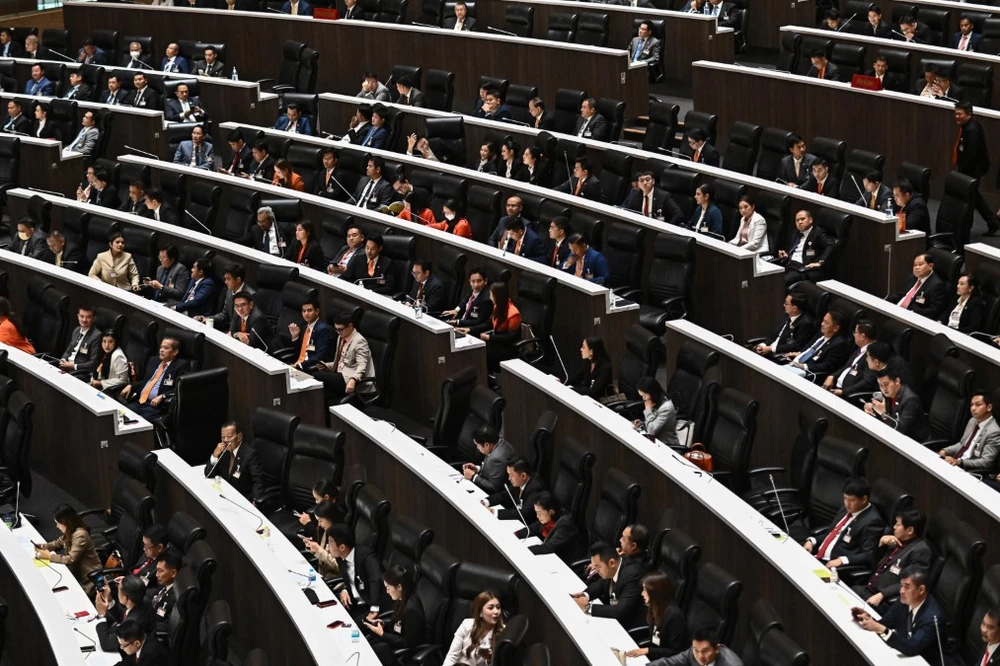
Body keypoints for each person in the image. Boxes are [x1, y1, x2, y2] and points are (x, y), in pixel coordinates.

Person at [854, 568, 952, 665]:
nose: (901, 591)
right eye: (901, 585)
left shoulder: (933, 618)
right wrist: (868, 619)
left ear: (921, 590)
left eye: (907, 587)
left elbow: (910, 648)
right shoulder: (904, 602)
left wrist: (880, 629)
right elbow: (885, 623)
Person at [853, 508, 932, 614]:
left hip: (883, 602)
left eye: (898, 525)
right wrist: (881, 544)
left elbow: (911, 583)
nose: (894, 527)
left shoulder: (921, 551)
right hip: (865, 590)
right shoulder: (895, 540)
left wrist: (882, 594)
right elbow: (872, 563)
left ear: (910, 530)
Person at [803, 476, 885, 569]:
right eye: (845, 498)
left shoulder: (872, 521)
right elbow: (832, 534)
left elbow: (868, 556)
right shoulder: (846, 509)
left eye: (851, 500)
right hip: (817, 556)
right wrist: (812, 541)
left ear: (864, 499)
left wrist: (842, 560)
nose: (847, 503)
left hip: (833, 566)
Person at [953, 102, 999, 239]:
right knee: (974, 196)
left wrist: (965, 174)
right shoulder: (966, 127)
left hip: (973, 170)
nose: (957, 116)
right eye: (955, 113)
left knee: (970, 198)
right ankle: (993, 222)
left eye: (959, 114)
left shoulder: (972, 130)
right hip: (969, 169)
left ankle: (966, 227)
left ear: (969, 114)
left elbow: (972, 155)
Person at [33, 503, 101, 595]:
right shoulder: (70, 531)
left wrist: (49, 556)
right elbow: (58, 543)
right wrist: (43, 546)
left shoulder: (80, 535)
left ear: (66, 522)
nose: (57, 526)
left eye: (58, 523)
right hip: (75, 572)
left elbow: (71, 559)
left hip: (87, 579)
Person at [365, 566, 428, 666]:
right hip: (397, 637)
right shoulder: (401, 599)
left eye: (388, 588)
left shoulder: (412, 609)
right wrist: (383, 623)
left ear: (399, 587)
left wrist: (382, 634)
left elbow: (409, 642)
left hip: (407, 652)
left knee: (379, 649)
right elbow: (398, 621)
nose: (387, 592)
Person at [572, 543, 645, 628]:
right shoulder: (612, 568)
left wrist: (588, 607)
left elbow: (620, 611)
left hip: (626, 627)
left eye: (597, 566)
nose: (595, 570)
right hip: (610, 620)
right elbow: (600, 584)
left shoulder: (633, 575)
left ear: (611, 563)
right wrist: (585, 595)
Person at [312, 312, 376, 402]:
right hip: (340, 375)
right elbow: (340, 361)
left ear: (350, 326)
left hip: (349, 378)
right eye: (336, 329)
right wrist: (327, 365)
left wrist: (353, 379)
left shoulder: (359, 341)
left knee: (316, 375)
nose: (338, 332)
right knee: (320, 394)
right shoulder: (341, 337)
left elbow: (362, 366)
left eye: (340, 329)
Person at [120, 337, 187, 420]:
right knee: (119, 416)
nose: (162, 350)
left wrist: (163, 396)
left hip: (155, 407)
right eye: (161, 347)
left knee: (135, 423)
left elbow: (179, 389)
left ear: (175, 352)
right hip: (139, 402)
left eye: (166, 348)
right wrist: (131, 386)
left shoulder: (180, 366)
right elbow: (145, 382)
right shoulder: (154, 360)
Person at [626, 572, 688, 660]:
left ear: (655, 592)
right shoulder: (654, 607)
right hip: (655, 655)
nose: (642, 594)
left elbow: (675, 652)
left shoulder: (674, 616)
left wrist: (648, 651)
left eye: (645, 590)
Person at [939, 390, 1000, 472]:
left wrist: (960, 462)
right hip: (955, 462)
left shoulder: (994, 432)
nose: (973, 408)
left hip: (969, 469)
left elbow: (986, 462)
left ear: (989, 407)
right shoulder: (972, 421)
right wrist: (945, 451)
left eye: (978, 405)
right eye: (971, 405)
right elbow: (962, 444)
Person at [205, 421, 265, 502]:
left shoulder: (250, 454)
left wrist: (255, 500)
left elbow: (258, 481)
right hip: (224, 494)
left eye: (229, 437)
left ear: (239, 437)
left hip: (241, 498)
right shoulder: (223, 450)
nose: (225, 440)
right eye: (223, 437)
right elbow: (208, 474)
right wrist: (215, 455)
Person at [326, 523, 381, 610]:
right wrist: (345, 590)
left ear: (342, 547)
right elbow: (350, 580)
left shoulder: (367, 557)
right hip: (352, 602)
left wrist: (374, 609)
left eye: (330, 542)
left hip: (369, 606)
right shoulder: (341, 557)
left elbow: (376, 580)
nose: (327, 546)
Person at [783, 310, 851, 380]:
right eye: (823, 320)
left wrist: (804, 366)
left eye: (826, 323)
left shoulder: (839, 344)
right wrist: (800, 353)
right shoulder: (822, 332)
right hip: (794, 363)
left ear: (836, 328)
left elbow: (826, 366)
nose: (822, 324)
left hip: (806, 371)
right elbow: (810, 345)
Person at [443, 591, 506, 666]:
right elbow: (452, 656)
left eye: (498, 607)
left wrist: (489, 658)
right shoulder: (466, 625)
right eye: (491, 608)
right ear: (480, 612)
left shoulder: (504, 631)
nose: (496, 611)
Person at [95, 575, 155, 650]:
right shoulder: (143, 599)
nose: (117, 592)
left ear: (125, 598)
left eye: (119, 591)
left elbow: (107, 644)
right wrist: (109, 599)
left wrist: (101, 614)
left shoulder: (132, 624)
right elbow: (122, 616)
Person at [777, 209, 834, 286]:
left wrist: (820, 262)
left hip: (802, 268)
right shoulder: (796, 233)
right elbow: (795, 250)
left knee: (778, 283)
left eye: (803, 219)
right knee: (770, 278)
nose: (800, 222)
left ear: (810, 220)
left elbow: (830, 245)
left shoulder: (818, 233)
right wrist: (786, 255)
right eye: (797, 220)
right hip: (790, 265)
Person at [822, 320, 877, 397]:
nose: (854, 335)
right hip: (836, 387)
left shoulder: (873, 354)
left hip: (847, 395)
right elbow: (847, 367)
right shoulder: (860, 348)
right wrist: (832, 376)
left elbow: (867, 382)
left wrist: (844, 391)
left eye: (855, 332)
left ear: (863, 336)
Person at [754, 292, 818, 358]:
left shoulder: (806, 324)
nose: (784, 305)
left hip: (780, 355)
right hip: (769, 348)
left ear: (794, 308)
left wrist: (770, 349)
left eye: (786, 303)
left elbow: (795, 346)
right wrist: (764, 344)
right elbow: (773, 334)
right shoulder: (786, 315)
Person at [887, 253, 948, 321]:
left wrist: (915, 311)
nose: (916, 267)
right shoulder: (913, 277)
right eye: (915, 265)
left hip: (913, 317)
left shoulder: (937, 285)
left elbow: (934, 310)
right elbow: (904, 294)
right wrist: (887, 301)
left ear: (930, 266)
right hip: (897, 310)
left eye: (920, 264)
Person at [479, 282, 522, 371]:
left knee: (485, 353)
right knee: (478, 348)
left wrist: (490, 337)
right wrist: (470, 329)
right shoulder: (497, 307)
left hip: (509, 346)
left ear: (497, 296)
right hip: (497, 342)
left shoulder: (513, 313)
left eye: (491, 294)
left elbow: (511, 337)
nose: (489, 296)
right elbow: (488, 324)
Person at [282, 299, 335, 371]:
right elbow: (299, 351)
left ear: (317, 311)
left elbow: (321, 355)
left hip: (309, 367)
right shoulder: (304, 326)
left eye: (309, 310)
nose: (306, 313)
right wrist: (295, 337)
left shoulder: (323, 329)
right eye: (304, 311)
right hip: (297, 363)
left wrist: (299, 366)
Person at [647, 627, 743, 666]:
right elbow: (669, 662)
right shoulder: (695, 651)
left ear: (717, 648)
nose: (700, 656)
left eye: (705, 651)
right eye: (696, 650)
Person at [461, 425, 516, 493]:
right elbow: (495, 470)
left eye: (477, 445)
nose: (477, 448)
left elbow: (494, 487)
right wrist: (478, 469)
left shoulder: (496, 459)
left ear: (487, 445)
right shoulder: (502, 444)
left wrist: (473, 476)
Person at [301, 500, 344, 577]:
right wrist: (312, 547)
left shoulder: (341, 536)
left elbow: (339, 567)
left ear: (330, 518)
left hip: (333, 579)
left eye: (320, 521)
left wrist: (318, 550)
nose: (319, 524)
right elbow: (324, 554)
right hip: (321, 573)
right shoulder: (326, 531)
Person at [634, 377, 680, 448]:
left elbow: (651, 431)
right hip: (656, 442)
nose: (643, 399)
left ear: (651, 393)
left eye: (644, 396)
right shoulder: (656, 400)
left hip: (667, 446)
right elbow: (654, 421)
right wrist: (642, 424)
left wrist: (648, 410)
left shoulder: (666, 408)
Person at [445, 267, 493, 333]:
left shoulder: (487, 299)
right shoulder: (473, 290)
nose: (476, 285)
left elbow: (479, 321)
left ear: (485, 281)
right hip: (461, 322)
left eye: (479, 281)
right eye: (473, 281)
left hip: (470, 329)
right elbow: (465, 300)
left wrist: (458, 322)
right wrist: (456, 310)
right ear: (469, 281)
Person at [59, 306, 102, 377]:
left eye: (88, 317)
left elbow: (93, 363)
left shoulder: (97, 336)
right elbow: (68, 351)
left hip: (79, 372)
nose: (84, 320)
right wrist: (63, 360)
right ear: (78, 316)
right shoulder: (76, 330)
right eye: (82, 316)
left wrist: (74, 366)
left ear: (94, 318)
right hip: (66, 367)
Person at [151, 550, 182, 630]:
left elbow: (167, 626)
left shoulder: (175, 598)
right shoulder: (165, 584)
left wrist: (145, 624)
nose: (156, 574)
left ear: (173, 573)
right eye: (157, 570)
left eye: (160, 571)